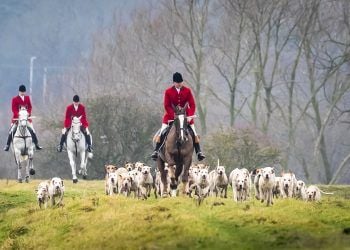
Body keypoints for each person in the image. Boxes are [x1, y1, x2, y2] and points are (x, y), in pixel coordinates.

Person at [151, 72, 205, 161]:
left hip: (186, 117)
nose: (179, 84)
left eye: (180, 82)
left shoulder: (187, 91)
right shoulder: (168, 92)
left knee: (194, 132)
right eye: (177, 83)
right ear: (174, 82)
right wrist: (174, 115)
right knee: (162, 132)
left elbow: (192, 104)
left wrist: (190, 116)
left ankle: (199, 152)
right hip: (170, 117)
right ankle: (156, 151)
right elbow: (167, 105)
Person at [4, 85, 42, 151]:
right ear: (19, 91)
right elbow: (13, 109)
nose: (22, 93)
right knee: (12, 130)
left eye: (23, 92)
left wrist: (28, 113)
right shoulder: (15, 99)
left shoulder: (27, 98)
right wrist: (18, 114)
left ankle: (36, 144)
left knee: (32, 130)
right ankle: (7, 145)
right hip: (17, 118)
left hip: (26, 118)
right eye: (21, 92)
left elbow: (30, 107)